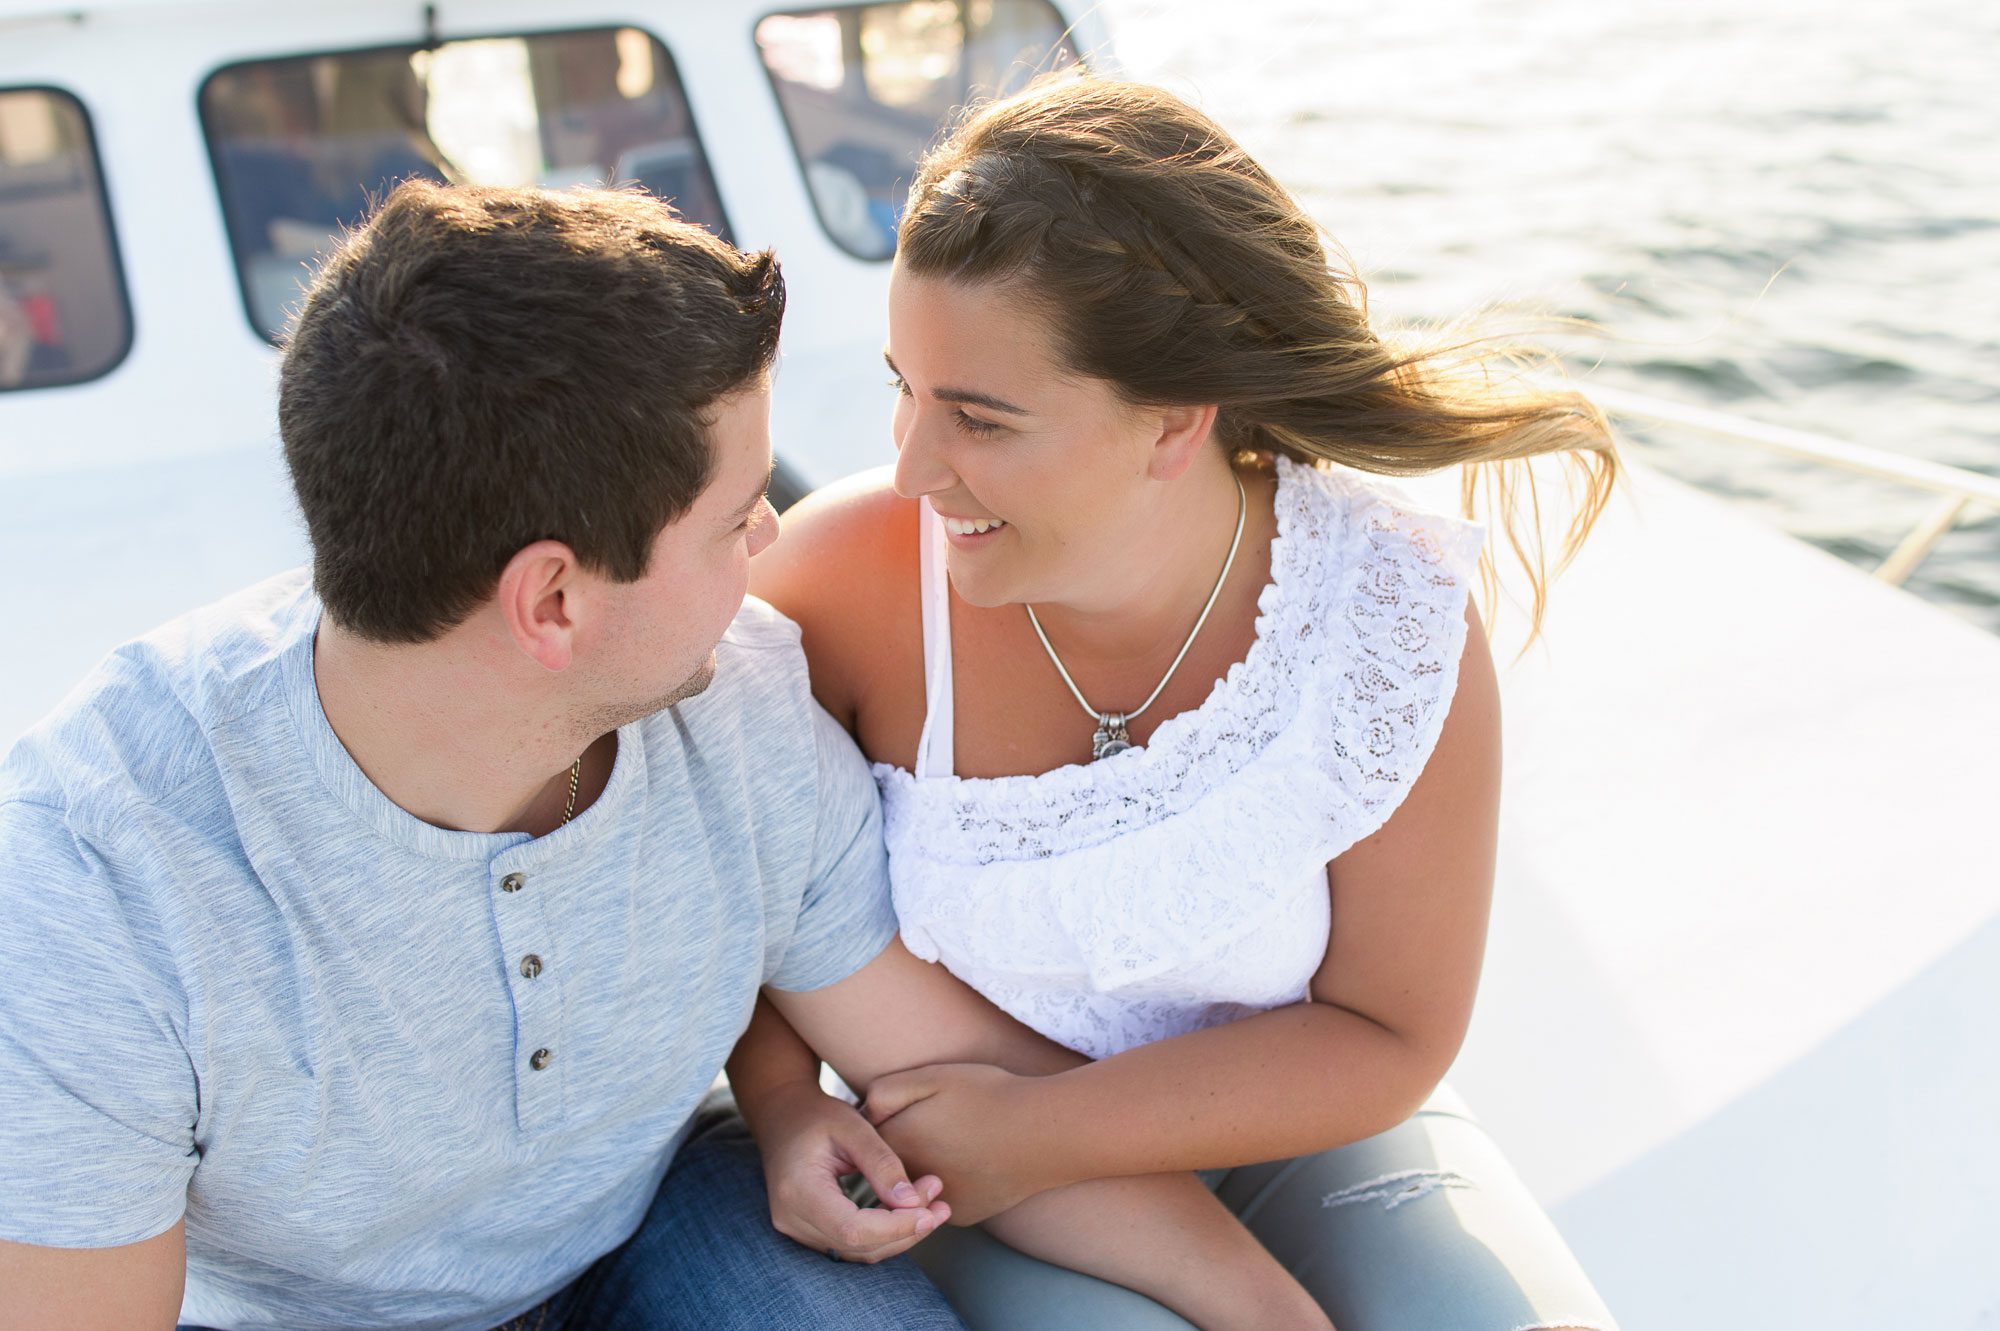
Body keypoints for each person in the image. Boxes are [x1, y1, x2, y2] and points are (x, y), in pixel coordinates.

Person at [0, 181, 1320, 1331]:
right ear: (554, 602)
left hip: (658, 1230)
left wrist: (1274, 1311)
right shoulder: (91, 891)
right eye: (733, 517)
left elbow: (968, 1083)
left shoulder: (738, 704)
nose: (768, 544)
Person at [743, 76, 1624, 1330]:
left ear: (1173, 420)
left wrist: (1049, 1124)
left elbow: (1388, 1032)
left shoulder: (1382, 614)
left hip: (1300, 1131)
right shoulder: (841, 586)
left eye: (977, 417)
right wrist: (783, 1100)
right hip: (965, 1161)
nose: (910, 466)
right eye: (904, 385)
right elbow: (725, 872)